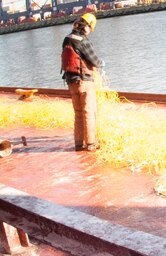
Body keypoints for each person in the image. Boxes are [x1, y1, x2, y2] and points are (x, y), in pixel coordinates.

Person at [61, 12, 103, 152]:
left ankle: (79, 144)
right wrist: (102, 63)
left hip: (71, 82)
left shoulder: (66, 39)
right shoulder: (82, 40)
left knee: (78, 113)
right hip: (84, 82)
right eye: (90, 29)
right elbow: (95, 61)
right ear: (86, 27)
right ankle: (91, 144)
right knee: (89, 112)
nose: (89, 32)